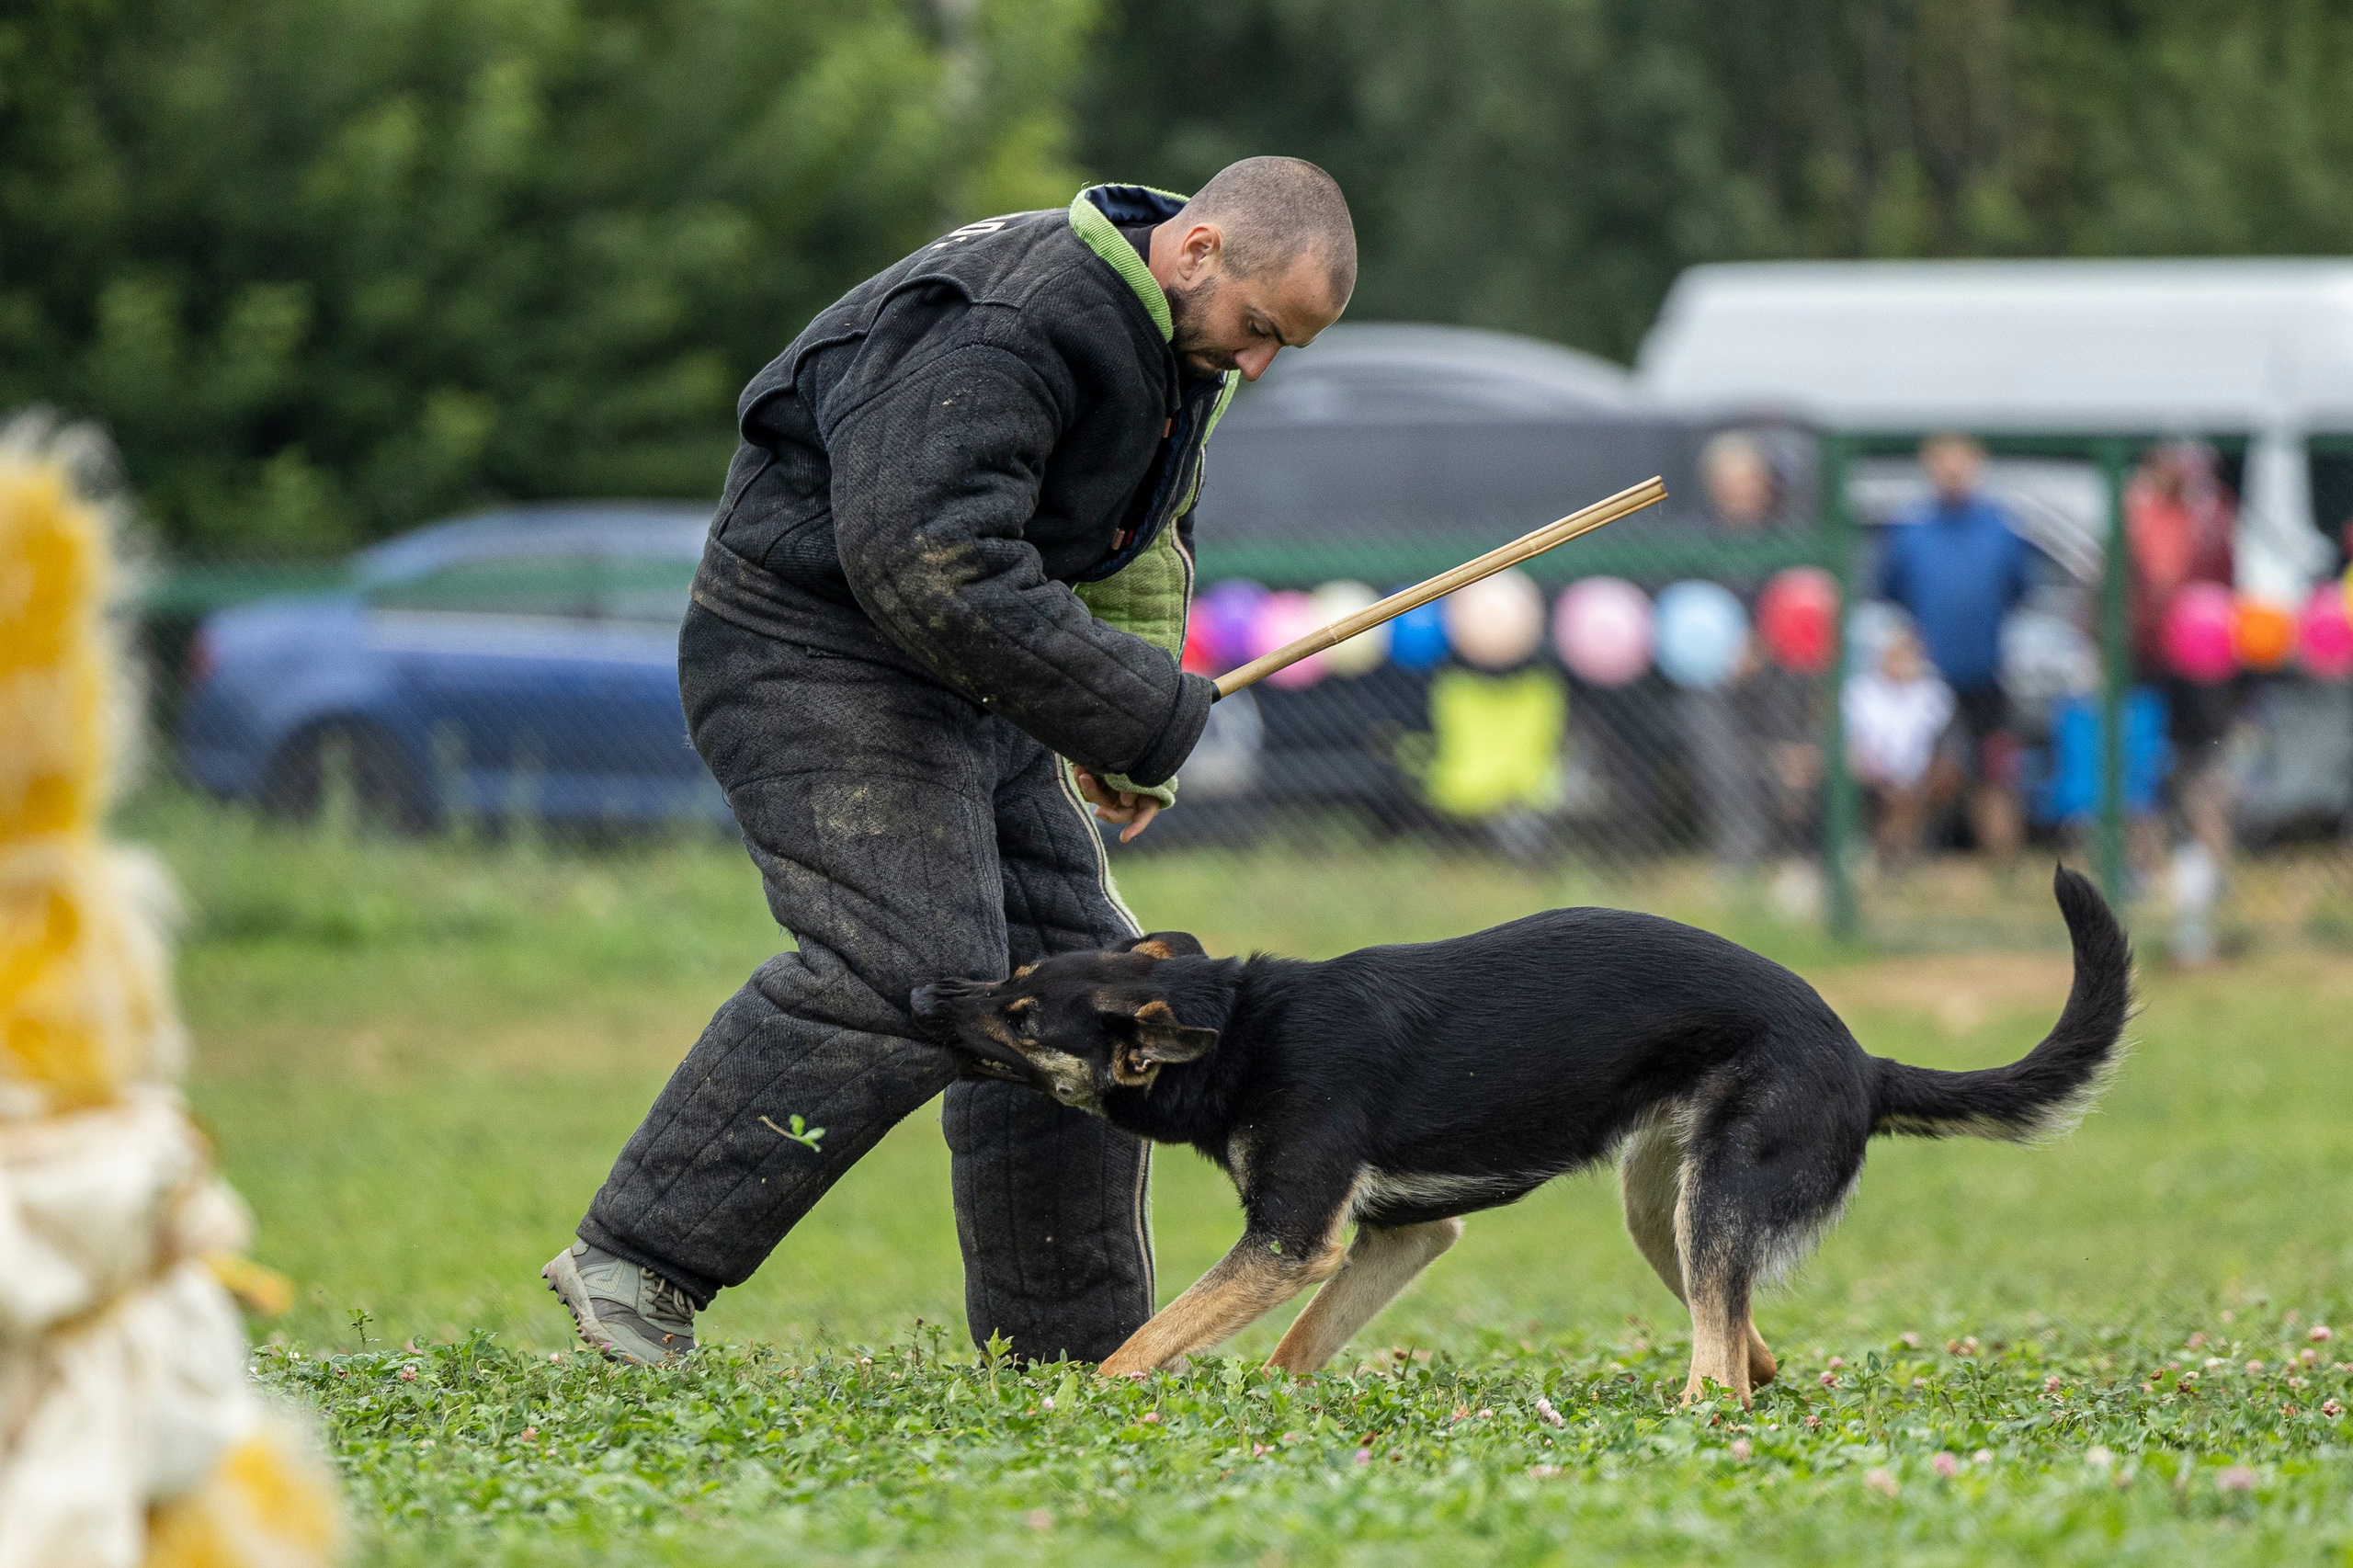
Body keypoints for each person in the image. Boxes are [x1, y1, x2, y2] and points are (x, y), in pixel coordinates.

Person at [541, 160, 1357, 1366]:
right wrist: (1137, 708)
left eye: (1283, 347)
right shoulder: (1014, 319)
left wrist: (1113, 736)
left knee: (1086, 996)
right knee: (910, 965)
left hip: (961, 679)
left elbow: (1137, 546)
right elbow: (931, 559)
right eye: (1258, 330)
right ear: (1198, 251)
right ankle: (639, 1260)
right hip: (811, 651)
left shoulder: (1173, 349)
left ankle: (1064, 1355)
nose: (1258, 365)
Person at [1874, 434, 2033, 865]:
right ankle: (1895, 861)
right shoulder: (1911, 530)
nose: (1952, 469)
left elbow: (2019, 590)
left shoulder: (2000, 529)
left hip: (1984, 675)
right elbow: (1890, 597)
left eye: (1960, 460)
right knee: (1918, 777)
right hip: (1925, 682)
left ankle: (2006, 871)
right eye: (1942, 460)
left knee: (1994, 776)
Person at [2125, 440, 2236, 961]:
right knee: (2140, 767)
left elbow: (2225, 581)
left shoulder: (2211, 513)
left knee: (2201, 770)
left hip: (2199, 661)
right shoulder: (2132, 512)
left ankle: (2213, 874)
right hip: (2145, 661)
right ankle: (2140, 870)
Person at [1842, 623, 1954, 876]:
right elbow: (1851, 743)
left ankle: (1894, 859)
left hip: (1923, 778)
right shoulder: (1860, 693)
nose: (1902, 660)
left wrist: (1918, 778)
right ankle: (1890, 859)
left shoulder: (1935, 694)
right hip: (1874, 776)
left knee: (1923, 788)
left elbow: (1948, 745)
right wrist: (1876, 773)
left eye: (1908, 652)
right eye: (1895, 653)